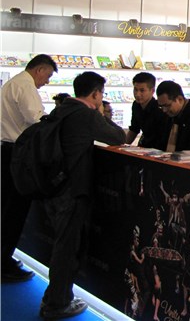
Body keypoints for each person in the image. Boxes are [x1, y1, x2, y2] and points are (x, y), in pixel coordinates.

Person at [39, 71, 125, 319]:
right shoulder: (86, 114)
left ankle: (56, 297)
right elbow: (117, 137)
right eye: (101, 94)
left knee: (61, 245)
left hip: (53, 187)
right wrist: (101, 113)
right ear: (96, 94)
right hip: (72, 190)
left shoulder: (62, 108)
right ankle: (57, 303)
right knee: (67, 249)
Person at [1, 53, 58, 283]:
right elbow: (37, 120)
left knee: (7, 209)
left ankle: (5, 257)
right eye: (48, 75)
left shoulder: (13, 83)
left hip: (8, 151)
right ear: (39, 69)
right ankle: (4, 262)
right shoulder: (25, 86)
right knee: (14, 211)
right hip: (18, 154)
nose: (47, 81)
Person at [126, 72, 171, 149]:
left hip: (158, 148)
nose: (137, 94)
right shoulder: (136, 105)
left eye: (142, 90)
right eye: (135, 90)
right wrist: (122, 145)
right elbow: (134, 129)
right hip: (144, 146)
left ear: (152, 91)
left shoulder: (159, 109)